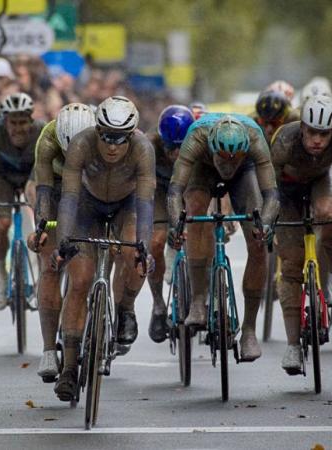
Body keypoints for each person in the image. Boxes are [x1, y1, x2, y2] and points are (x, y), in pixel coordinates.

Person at [52, 96, 156, 401]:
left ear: (132, 135)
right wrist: (63, 243)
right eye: (107, 136)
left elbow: (147, 203)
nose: (113, 145)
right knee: (80, 281)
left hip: (128, 206)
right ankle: (69, 369)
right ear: (97, 130)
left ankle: (125, 308)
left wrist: (145, 249)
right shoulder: (81, 145)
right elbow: (69, 198)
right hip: (87, 206)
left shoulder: (143, 149)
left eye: (120, 138)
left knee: (132, 254)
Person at [167, 113, 280, 361]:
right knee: (195, 208)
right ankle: (198, 298)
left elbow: (271, 196)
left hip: (246, 172)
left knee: (259, 241)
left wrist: (266, 224)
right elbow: (175, 191)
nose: (228, 165)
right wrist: (177, 226)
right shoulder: (196, 138)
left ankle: (249, 329)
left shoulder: (255, 140)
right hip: (203, 168)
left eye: (234, 158)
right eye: (224, 158)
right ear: (212, 147)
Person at [270, 95, 332, 374]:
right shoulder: (285, 140)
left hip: (322, 180)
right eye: (312, 133)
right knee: (291, 264)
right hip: (286, 190)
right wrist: (268, 222)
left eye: (324, 134)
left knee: (330, 213)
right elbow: (267, 186)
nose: (317, 140)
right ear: (302, 127)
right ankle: (293, 345)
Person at [28, 103, 96, 381]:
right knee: (50, 264)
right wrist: (42, 226)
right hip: (56, 188)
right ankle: (47, 350)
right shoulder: (47, 138)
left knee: (83, 272)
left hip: (91, 187)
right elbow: (43, 191)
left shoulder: (99, 136)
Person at [0, 93, 45, 310]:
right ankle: (2, 275)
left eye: (23, 122)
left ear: (31, 121)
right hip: (4, 178)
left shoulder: (41, 132)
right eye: (12, 123)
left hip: (31, 176)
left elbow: (41, 171)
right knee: (2, 224)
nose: (18, 128)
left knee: (44, 221)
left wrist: (39, 206)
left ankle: (45, 280)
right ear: (4, 122)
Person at [145, 105, 195, 343]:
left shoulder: (200, 143)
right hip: (160, 193)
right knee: (155, 242)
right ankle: (158, 306)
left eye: (181, 147)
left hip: (189, 190)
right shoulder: (149, 145)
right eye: (170, 148)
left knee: (199, 237)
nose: (175, 154)